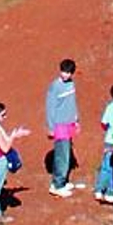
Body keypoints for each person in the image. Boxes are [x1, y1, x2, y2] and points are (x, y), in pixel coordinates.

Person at [45, 56, 81, 196]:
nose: (65, 74)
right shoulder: (55, 86)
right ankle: (57, 185)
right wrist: (51, 127)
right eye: (63, 71)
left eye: (68, 72)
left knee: (66, 152)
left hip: (69, 124)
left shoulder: (71, 85)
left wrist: (76, 119)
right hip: (59, 126)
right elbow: (50, 107)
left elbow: (72, 103)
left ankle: (63, 181)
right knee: (62, 155)